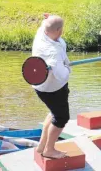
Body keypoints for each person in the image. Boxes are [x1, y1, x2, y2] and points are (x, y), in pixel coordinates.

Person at [32, 14, 71, 159]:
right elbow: (62, 75)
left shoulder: (42, 32)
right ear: (59, 30)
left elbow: (45, 24)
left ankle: (41, 145)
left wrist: (47, 18)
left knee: (53, 111)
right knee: (61, 118)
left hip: (40, 86)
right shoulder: (52, 52)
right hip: (53, 89)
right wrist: (67, 68)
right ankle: (49, 150)